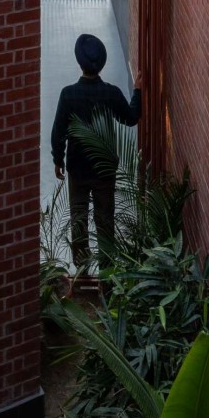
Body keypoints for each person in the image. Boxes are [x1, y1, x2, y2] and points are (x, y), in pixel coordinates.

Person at [51, 33, 142, 273]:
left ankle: (81, 270)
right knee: (105, 221)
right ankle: (107, 273)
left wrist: (57, 159)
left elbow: (58, 131)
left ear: (79, 63)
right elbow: (131, 118)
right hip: (104, 169)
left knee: (78, 219)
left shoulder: (68, 94)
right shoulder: (110, 93)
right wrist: (138, 92)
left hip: (78, 168)